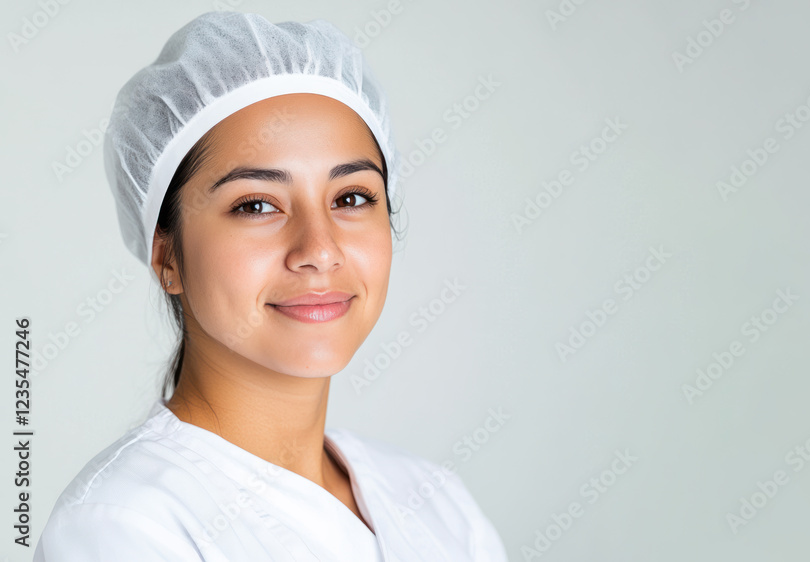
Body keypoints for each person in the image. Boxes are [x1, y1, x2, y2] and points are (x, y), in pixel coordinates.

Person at [33, 11, 508, 561]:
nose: (320, 249)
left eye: (351, 197)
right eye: (255, 204)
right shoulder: (122, 527)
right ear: (167, 256)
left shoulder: (439, 507)